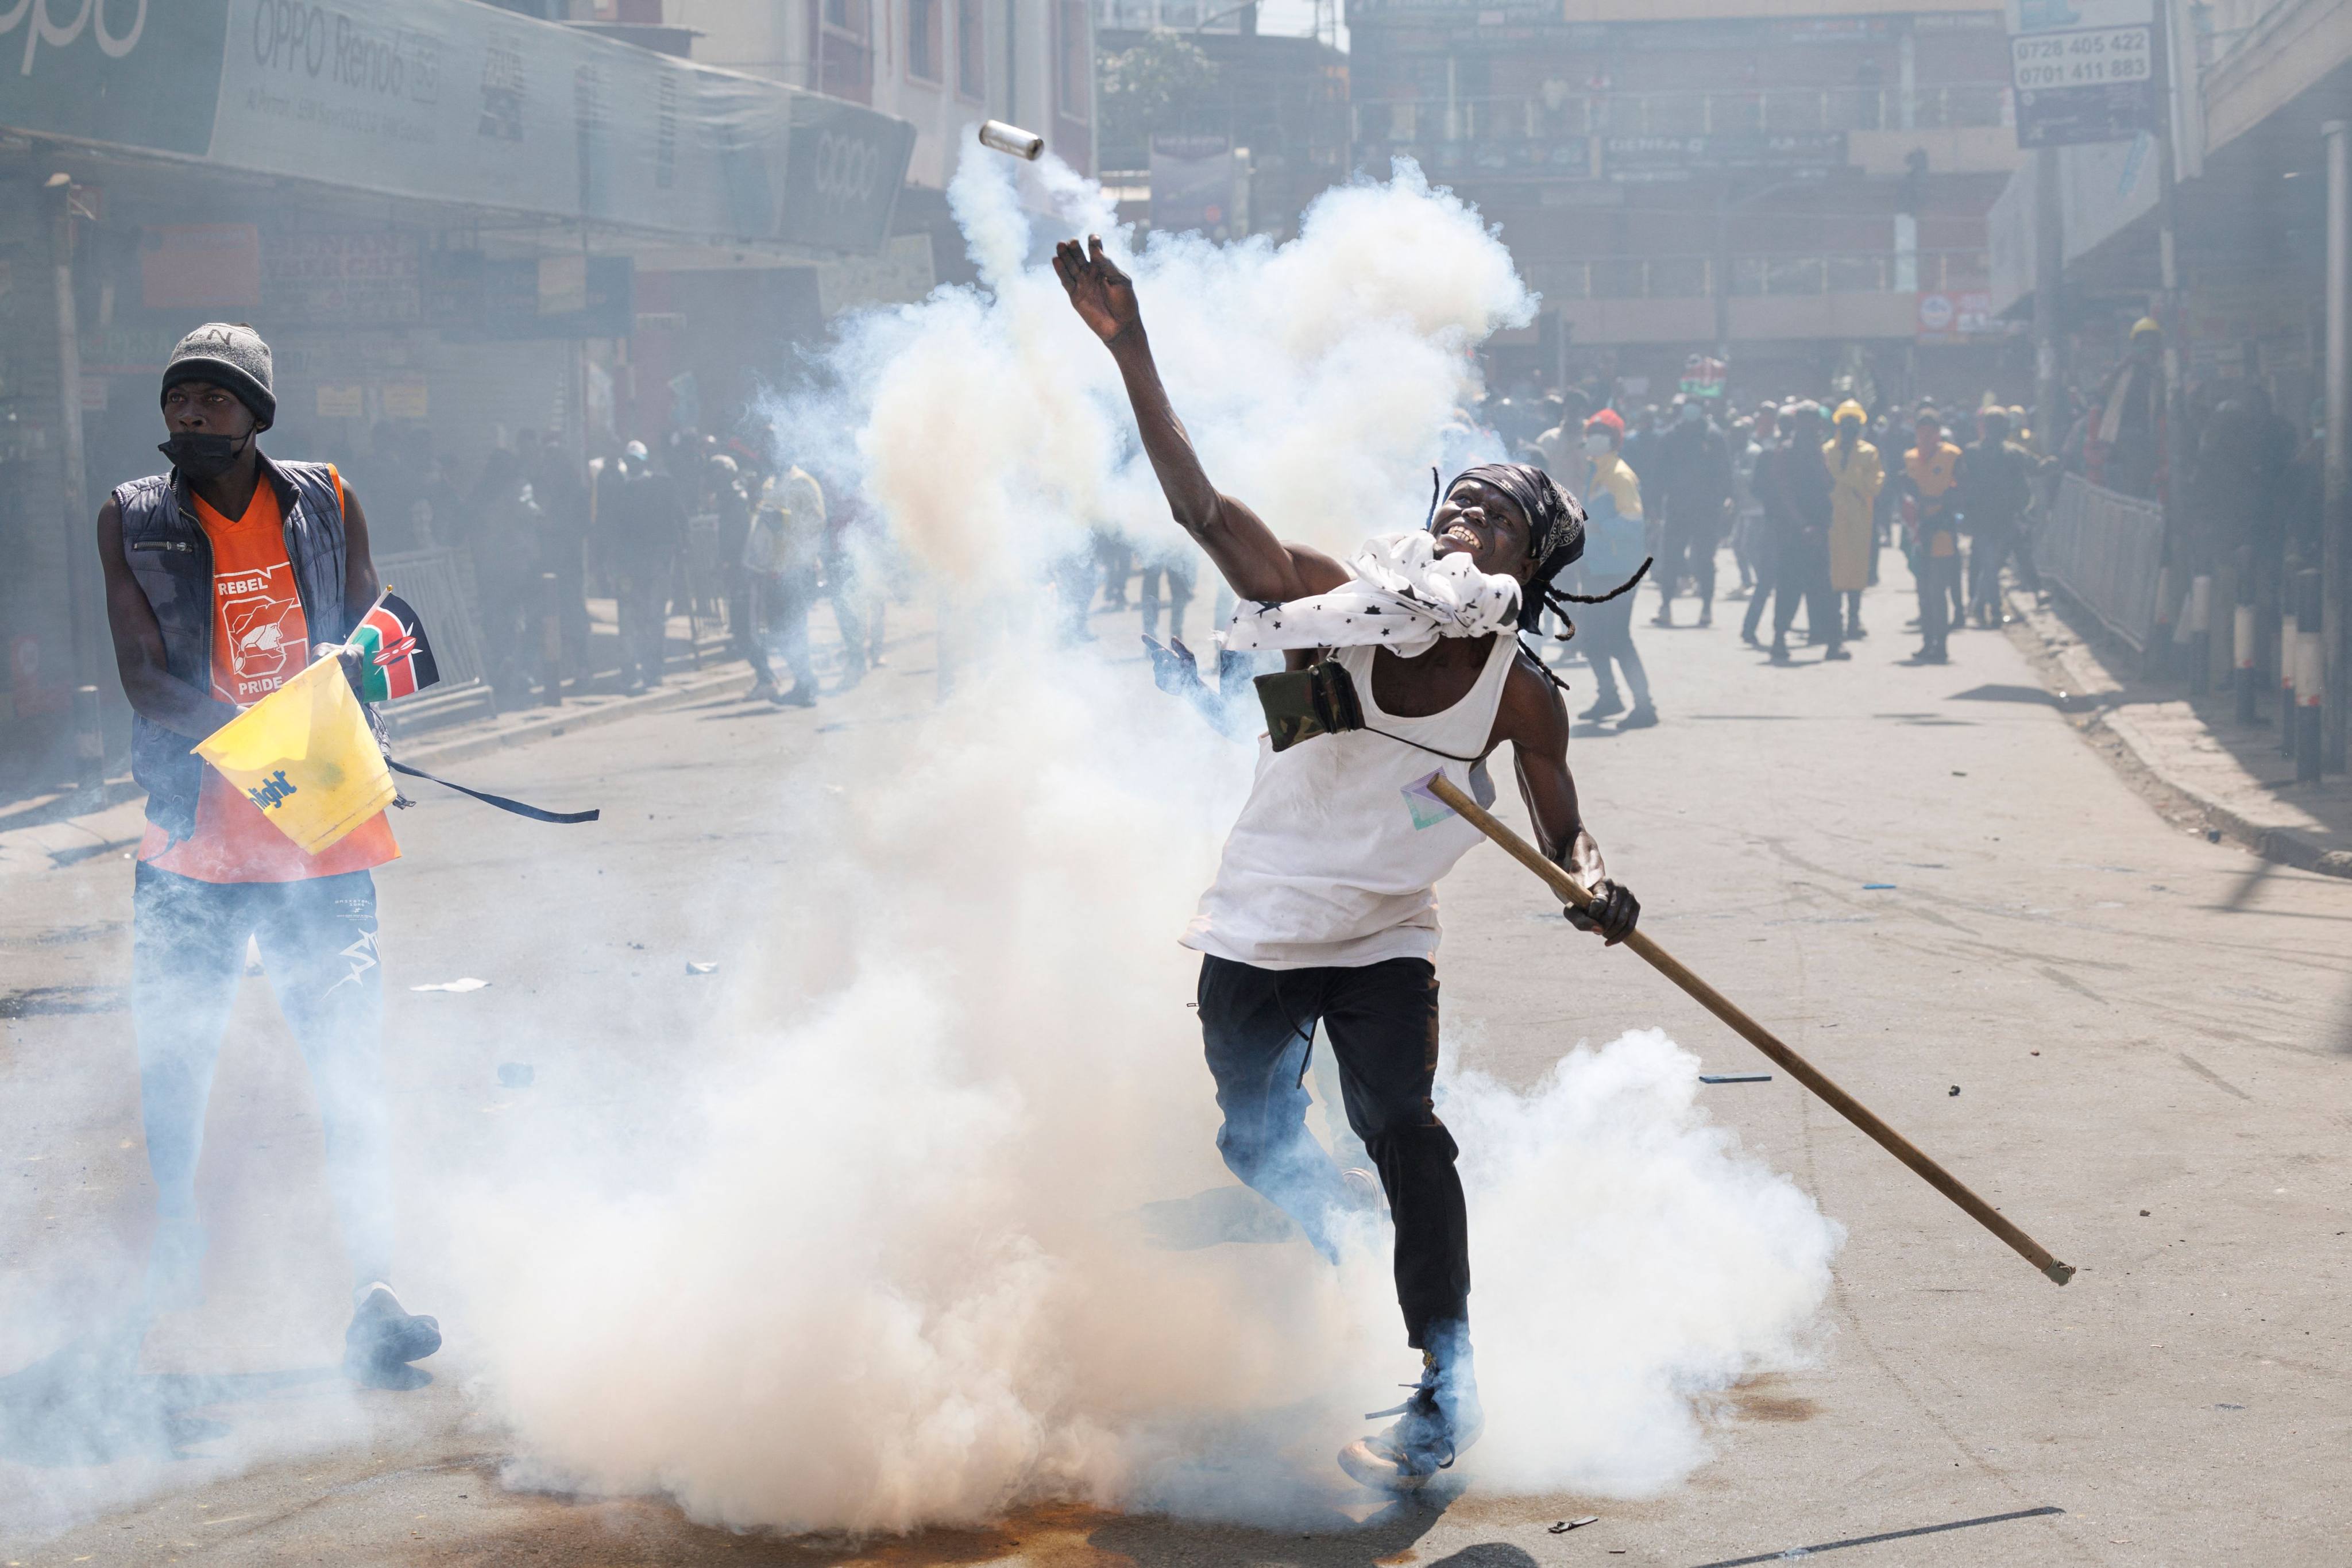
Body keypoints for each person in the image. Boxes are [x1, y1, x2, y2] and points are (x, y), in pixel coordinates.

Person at [1054, 235, 1640, 1491]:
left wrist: (1592, 881)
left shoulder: (1517, 694)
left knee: (1404, 1132)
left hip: (1383, 941)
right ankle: (1324, 1245)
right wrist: (1131, 350)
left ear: (1525, 567)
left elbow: (1561, 828)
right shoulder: (1326, 608)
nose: (1461, 516)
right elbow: (1203, 515)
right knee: (1254, 1143)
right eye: (1454, 499)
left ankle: (1446, 1379)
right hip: (1255, 931)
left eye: (1495, 515)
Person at [92, 323, 439, 1384]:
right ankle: (168, 1270)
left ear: (257, 414)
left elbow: (376, 621)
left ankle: (375, 1288)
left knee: (347, 1063)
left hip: (324, 837)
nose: (189, 413)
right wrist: (258, 734)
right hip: (192, 837)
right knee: (175, 1065)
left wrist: (354, 668)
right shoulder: (132, 517)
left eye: (212, 397)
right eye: (177, 397)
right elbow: (145, 678)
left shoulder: (328, 497)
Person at [1571, 410, 1656, 726]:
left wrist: (1598, 529)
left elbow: (1634, 522)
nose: (1593, 437)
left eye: (1600, 432)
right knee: (1593, 638)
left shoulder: (1619, 475)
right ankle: (1609, 697)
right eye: (1591, 430)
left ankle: (1645, 707)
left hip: (1619, 570)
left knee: (1618, 638)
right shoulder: (1598, 472)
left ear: (1613, 440)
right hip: (1597, 568)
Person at [1767, 403, 1845, 663]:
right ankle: (1779, 639)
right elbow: (1784, 492)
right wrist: (1802, 525)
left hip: (1818, 530)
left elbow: (1827, 484)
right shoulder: (1786, 452)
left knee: (1824, 589)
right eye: (1808, 422)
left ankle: (1834, 642)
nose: (1813, 427)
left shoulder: (1816, 452)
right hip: (1794, 532)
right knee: (1789, 588)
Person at [743, 464, 826, 706]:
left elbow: (817, 522)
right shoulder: (770, 483)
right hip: (774, 569)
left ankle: (806, 686)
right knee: (781, 632)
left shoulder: (803, 482)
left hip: (797, 569)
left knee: (794, 630)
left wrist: (785, 523)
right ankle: (805, 680)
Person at [1647, 396, 1732, 628]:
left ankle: (1706, 607)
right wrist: (1654, 503)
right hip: (1677, 509)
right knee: (1671, 558)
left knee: (1705, 559)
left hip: (1707, 510)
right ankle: (1666, 606)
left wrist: (1726, 502)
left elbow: (1725, 473)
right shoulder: (1671, 436)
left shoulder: (1714, 437)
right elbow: (1658, 473)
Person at [609, 440, 686, 692]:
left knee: (643, 620)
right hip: (647, 566)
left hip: (647, 566)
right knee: (645, 620)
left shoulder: (629, 491)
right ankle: (647, 671)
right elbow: (680, 521)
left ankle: (645, 671)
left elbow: (680, 521)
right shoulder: (651, 487)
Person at [1954, 408, 2037, 628]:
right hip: (1994, 518)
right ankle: (1990, 610)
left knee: (1988, 564)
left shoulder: (1977, 452)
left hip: (1991, 518)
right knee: (1988, 564)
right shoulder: (2008, 452)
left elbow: (1960, 482)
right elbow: (2037, 467)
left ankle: (1982, 607)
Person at [1902, 408, 1964, 663]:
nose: (1926, 437)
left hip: (1942, 530)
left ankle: (1941, 643)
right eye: (1921, 432)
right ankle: (1927, 640)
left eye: (1931, 432)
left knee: (1938, 591)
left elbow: (1962, 490)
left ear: (1939, 434)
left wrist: (1946, 515)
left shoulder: (1952, 456)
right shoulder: (1910, 458)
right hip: (1919, 531)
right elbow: (1907, 491)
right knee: (1923, 591)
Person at [2087, 317, 2166, 500]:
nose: (2147, 348)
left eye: (2151, 342)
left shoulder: (2159, 374)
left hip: (2145, 436)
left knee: (2137, 485)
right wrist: (2123, 365)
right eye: (2143, 342)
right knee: (2117, 486)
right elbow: (2101, 391)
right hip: (2116, 435)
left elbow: (2164, 403)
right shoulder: (2124, 370)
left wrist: (2154, 370)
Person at [1824, 401, 1883, 640]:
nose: (1850, 428)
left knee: (1857, 569)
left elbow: (1875, 485)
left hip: (1859, 518)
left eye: (1854, 424)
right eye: (1846, 424)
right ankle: (1834, 619)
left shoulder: (1869, 453)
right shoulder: (1827, 451)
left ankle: (1854, 619)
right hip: (1832, 518)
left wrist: (1849, 478)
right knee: (1834, 569)